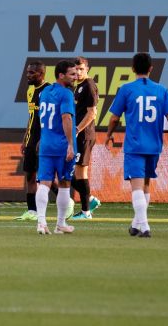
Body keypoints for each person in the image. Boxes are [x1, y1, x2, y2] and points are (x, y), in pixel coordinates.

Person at [105, 52, 168, 238]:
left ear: (133, 68)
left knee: (136, 187)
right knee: (146, 185)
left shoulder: (126, 89)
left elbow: (114, 118)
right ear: (151, 68)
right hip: (154, 146)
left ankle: (145, 227)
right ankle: (136, 224)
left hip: (135, 146)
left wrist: (109, 134)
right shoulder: (161, 90)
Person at [35, 60, 77, 235]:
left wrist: (42, 137)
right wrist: (70, 144)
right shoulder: (66, 94)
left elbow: (42, 117)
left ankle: (41, 223)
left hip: (46, 144)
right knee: (65, 183)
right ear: (61, 75)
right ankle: (60, 224)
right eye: (72, 74)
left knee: (44, 183)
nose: (76, 77)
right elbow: (66, 118)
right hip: (62, 146)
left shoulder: (45, 91)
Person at [70, 56, 102, 220]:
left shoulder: (89, 85)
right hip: (78, 135)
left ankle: (86, 212)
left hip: (85, 135)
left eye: (81, 69)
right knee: (70, 173)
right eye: (75, 70)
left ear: (87, 69)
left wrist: (77, 129)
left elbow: (92, 113)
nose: (78, 72)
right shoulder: (79, 86)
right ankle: (89, 200)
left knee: (80, 172)